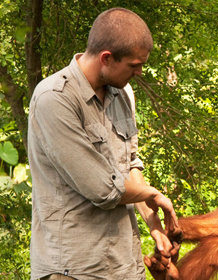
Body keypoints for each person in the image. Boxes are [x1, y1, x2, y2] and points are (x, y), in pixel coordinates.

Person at [28, 8, 178, 280]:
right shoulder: (54, 99)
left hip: (123, 265)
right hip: (74, 268)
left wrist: (153, 225)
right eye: (134, 65)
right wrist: (152, 194)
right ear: (106, 58)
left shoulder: (122, 93)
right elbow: (103, 189)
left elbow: (130, 165)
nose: (140, 72)